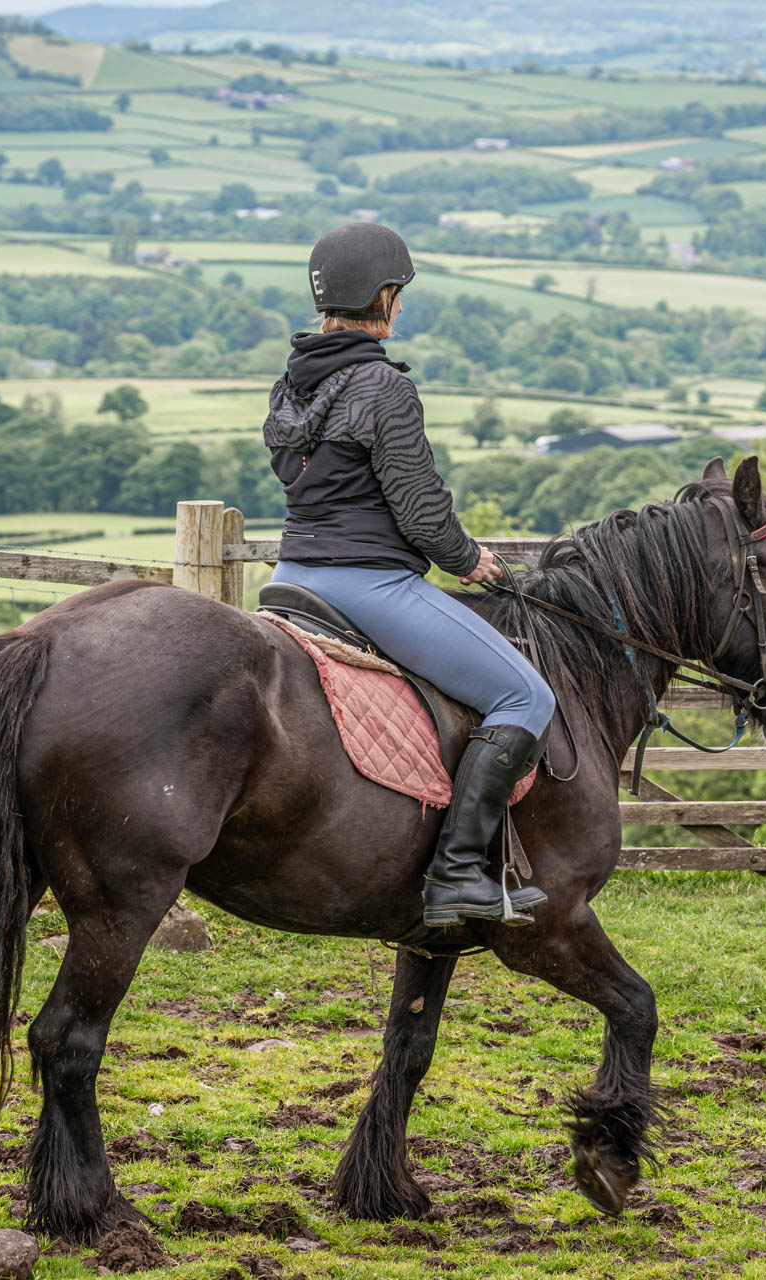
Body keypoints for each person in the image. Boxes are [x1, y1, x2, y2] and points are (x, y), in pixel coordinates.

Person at [262, 221, 556, 927]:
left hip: (292, 575)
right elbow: (422, 513)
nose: (402, 305)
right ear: (384, 296)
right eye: (400, 293)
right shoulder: (382, 386)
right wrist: (471, 560)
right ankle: (457, 874)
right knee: (525, 697)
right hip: (369, 585)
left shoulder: (290, 384)